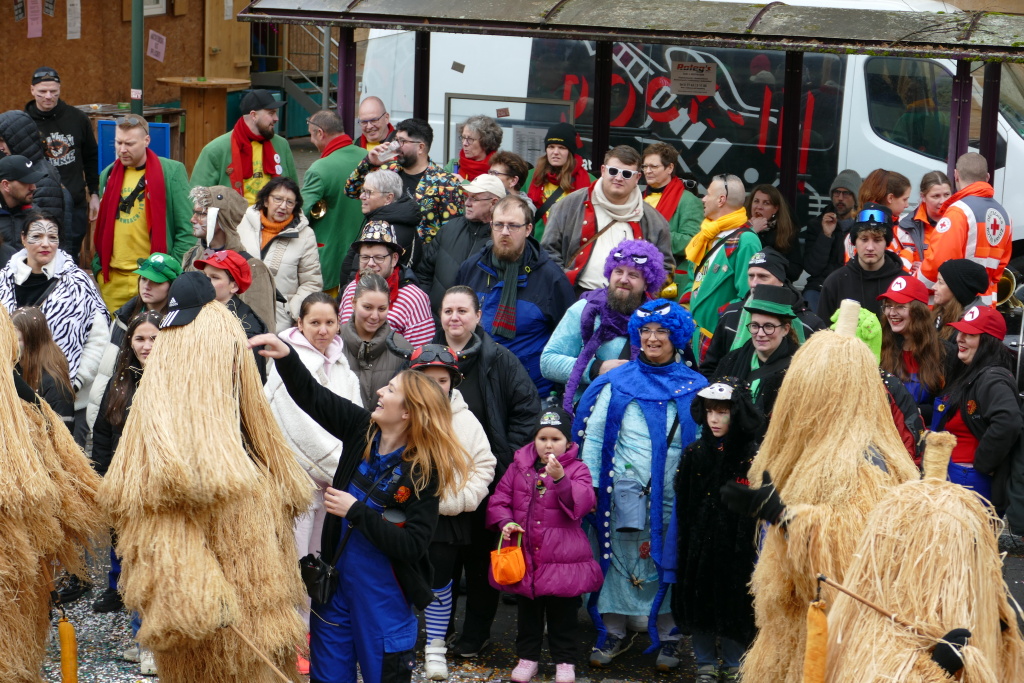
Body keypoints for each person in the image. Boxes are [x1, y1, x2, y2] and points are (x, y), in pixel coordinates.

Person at [101, 284, 312, 682]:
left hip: (258, 576)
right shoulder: (161, 431)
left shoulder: (237, 418)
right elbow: (148, 514)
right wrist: (193, 583)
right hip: (210, 609)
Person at [249, 329, 469, 683]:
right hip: (336, 588)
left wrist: (356, 511)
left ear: (409, 413)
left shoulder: (424, 473)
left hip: (384, 599)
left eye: (391, 390)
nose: (380, 392)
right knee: (329, 677)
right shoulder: (361, 429)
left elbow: (413, 546)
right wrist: (287, 356)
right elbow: (313, 397)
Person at [720, 313, 918, 683]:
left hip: (835, 646)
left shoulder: (867, 462)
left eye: (816, 389)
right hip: (790, 637)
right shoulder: (808, 450)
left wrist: (786, 516)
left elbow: (856, 564)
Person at [575, 298, 707, 672]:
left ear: (677, 336)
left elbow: (703, 443)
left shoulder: (696, 386)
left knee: (668, 561)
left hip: (673, 498)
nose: (652, 338)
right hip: (622, 497)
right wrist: (591, 487)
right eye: (646, 330)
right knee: (617, 560)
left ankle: (669, 639)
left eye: (662, 331)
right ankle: (612, 633)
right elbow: (596, 436)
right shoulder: (617, 381)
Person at [824, 475, 1024, 682]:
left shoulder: (958, 597)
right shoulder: (872, 627)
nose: (968, 557)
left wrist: (992, 632)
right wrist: (937, 668)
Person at [436, 285, 540, 659]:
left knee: (481, 564)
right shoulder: (428, 359)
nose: (455, 318)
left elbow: (528, 410)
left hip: (488, 481)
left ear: (478, 316)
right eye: (448, 311)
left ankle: (474, 636)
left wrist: (505, 457)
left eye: (462, 311)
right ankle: (437, 634)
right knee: (440, 564)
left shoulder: (500, 360)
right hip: (440, 480)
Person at [264, 291, 362, 674]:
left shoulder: (343, 366)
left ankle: (314, 634)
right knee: (295, 560)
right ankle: (290, 637)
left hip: (332, 485)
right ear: (300, 324)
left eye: (329, 322)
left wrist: (345, 466)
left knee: (323, 560)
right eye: (314, 322)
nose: (322, 330)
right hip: (299, 481)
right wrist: (345, 466)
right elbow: (298, 426)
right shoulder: (287, 363)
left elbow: (354, 419)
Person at [486, 406, 603, 683]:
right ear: (534, 440)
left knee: (564, 614)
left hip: (564, 555)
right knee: (529, 613)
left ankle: (565, 661)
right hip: (526, 554)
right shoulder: (519, 468)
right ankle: (528, 658)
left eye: (556, 439)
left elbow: (583, 503)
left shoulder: (578, 469)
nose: (548, 445)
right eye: (542, 438)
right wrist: (506, 522)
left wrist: (561, 479)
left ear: (568, 442)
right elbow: (499, 500)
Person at [406, 344, 496, 681]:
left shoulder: (466, 420)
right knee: (397, 578)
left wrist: (463, 498)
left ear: (452, 382)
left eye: (441, 380)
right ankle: (398, 641)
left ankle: (435, 648)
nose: (434, 386)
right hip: (404, 517)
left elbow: (484, 464)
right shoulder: (401, 413)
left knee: (440, 582)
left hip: (446, 518)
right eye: (427, 379)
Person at [671, 379, 764, 683]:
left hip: (740, 547)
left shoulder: (752, 457)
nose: (714, 418)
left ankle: (735, 660)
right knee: (699, 598)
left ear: (736, 413)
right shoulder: (694, 453)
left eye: (723, 412)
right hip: (699, 544)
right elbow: (683, 505)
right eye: (710, 411)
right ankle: (705, 662)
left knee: (737, 600)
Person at [0, 211, 109, 448]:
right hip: (10, 400)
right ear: (22, 238)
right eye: (37, 236)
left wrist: (75, 383)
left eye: (53, 237)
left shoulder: (78, 282)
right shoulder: (3, 281)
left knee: (64, 466)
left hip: (67, 397)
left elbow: (98, 339)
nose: (46, 244)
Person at [92, 310, 162, 661]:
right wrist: (104, 480)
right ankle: (141, 638)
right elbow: (103, 432)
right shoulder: (120, 381)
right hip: (125, 489)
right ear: (129, 342)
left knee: (158, 565)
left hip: (160, 490)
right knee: (132, 564)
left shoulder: (173, 380)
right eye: (140, 339)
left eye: (153, 338)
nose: (146, 345)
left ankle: (157, 641)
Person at [457, 195, 575, 395]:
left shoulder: (551, 278)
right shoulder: (472, 268)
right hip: (477, 384)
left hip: (531, 390)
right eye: (499, 225)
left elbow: (568, 341)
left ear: (528, 229)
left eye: (513, 226)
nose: (504, 232)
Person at [540, 239, 666, 411]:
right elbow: (548, 362)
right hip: (586, 413)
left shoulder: (659, 320)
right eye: (618, 271)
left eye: (633, 275)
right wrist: (596, 368)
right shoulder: (584, 310)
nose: (623, 279)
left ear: (647, 283)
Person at [540, 145, 673, 294]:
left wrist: (643, 296)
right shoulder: (568, 205)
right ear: (603, 170)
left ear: (637, 178)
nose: (618, 178)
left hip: (628, 305)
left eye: (627, 174)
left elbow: (665, 267)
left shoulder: (655, 220)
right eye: (613, 171)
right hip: (575, 296)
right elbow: (548, 251)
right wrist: (563, 285)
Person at [94, 114, 195, 310]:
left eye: (130, 144)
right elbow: (102, 225)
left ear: (146, 140)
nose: (122, 149)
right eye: (118, 142)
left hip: (152, 279)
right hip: (112, 280)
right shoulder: (108, 174)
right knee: (116, 339)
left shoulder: (171, 171)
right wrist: (98, 267)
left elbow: (187, 229)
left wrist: (168, 272)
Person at [934, 304, 1022, 511]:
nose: (959, 338)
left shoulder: (992, 378)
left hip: (971, 482)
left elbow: (1009, 422)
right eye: (960, 332)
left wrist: (983, 465)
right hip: (954, 475)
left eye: (970, 334)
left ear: (988, 342)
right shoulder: (970, 372)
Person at [86, 252, 180, 435]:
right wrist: (97, 417)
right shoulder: (123, 318)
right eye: (143, 279)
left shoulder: (179, 326)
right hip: (117, 416)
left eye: (156, 281)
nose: (147, 286)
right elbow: (106, 371)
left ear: (172, 287)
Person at [701, 248, 824, 378]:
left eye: (763, 277)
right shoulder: (731, 314)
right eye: (750, 276)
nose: (754, 283)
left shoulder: (809, 324)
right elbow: (710, 367)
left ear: (781, 280)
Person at [25, 66, 100, 260]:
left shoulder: (77, 118)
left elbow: (91, 157)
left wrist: (94, 193)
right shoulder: (24, 122)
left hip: (74, 202)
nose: (48, 96)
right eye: (42, 92)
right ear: (32, 90)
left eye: (53, 92)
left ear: (59, 90)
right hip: (38, 203)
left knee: (69, 255)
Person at [346, 118, 464, 242]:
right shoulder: (388, 170)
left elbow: (452, 234)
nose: (396, 146)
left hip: (420, 257)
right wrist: (369, 163)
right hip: (382, 253)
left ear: (420, 147)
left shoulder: (445, 183)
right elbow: (351, 190)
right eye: (396, 140)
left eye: (402, 141)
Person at [919, 153, 1013, 304]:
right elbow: (1000, 266)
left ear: (956, 175)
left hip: (957, 305)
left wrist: (917, 286)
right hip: (986, 304)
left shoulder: (959, 212)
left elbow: (940, 261)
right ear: (987, 177)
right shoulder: (1005, 215)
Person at [687, 173, 762, 362]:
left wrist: (718, 326)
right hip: (694, 336)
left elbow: (748, 296)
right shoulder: (707, 234)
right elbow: (693, 279)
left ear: (721, 199)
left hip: (718, 342)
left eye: (708, 194)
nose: (703, 198)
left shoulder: (746, 240)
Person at [183, 185, 277, 331]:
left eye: (201, 214)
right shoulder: (192, 257)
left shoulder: (252, 267)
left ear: (221, 218)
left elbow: (262, 332)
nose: (192, 219)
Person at [235, 176, 322, 332]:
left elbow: (312, 283)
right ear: (266, 200)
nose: (283, 206)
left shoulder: (305, 235)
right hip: (239, 313)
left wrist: (293, 311)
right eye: (278, 199)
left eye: (290, 202)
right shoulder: (241, 223)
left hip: (281, 322)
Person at [416, 173, 506, 313]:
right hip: (437, 322)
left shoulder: (504, 240)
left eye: (474, 198)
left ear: (494, 203)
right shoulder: (449, 229)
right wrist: (426, 308)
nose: (467, 203)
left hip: (479, 327)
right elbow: (424, 272)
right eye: (467, 196)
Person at [301, 110, 368, 295]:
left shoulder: (319, 169)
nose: (311, 141)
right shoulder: (366, 156)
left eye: (311, 134)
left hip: (331, 264)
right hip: (365, 258)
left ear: (320, 133)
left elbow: (299, 214)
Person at [190, 89, 297, 203]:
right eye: (271, 113)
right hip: (234, 219)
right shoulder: (215, 150)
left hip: (274, 218)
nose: (276, 118)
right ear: (254, 115)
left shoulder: (281, 145)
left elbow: (293, 189)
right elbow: (197, 197)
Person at [338, 220, 433, 347]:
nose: (371, 263)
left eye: (379, 257)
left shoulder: (414, 299)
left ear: (394, 259)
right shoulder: (351, 289)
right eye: (365, 257)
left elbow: (420, 353)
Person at [713, 285, 800, 418]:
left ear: (785, 329)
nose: (760, 333)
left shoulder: (798, 369)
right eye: (755, 326)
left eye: (768, 326)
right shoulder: (731, 360)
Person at [878, 275, 953, 426]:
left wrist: (912, 412)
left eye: (900, 306)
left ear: (919, 312)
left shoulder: (944, 352)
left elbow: (947, 407)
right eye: (888, 306)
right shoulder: (880, 347)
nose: (892, 313)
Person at [817, 204, 904, 322]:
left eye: (877, 240)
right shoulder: (835, 282)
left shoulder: (903, 283)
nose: (870, 247)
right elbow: (822, 333)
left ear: (886, 243)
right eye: (864, 239)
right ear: (854, 241)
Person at [193, 252, 270, 381]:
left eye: (214, 277)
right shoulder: (196, 310)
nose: (205, 281)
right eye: (205, 275)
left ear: (233, 286)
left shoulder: (248, 326)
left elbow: (249, 381)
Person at [641, 142, 703, 296]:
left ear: (669, 168)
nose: (647, 171)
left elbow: (692, 241)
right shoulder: (637, 198)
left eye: (654, 167)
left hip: (667, 280)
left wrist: (651, 235)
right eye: (645, 166)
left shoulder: (688, 200)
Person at [0, 111, 71, 244]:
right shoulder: (36, 169)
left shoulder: (43, 180)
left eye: (3, 141)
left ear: (17, 140)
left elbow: (48, 233)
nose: (1, 147)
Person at [341, 271, 409, 409]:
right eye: (367, 307)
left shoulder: (404, 349)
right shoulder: (333, 342)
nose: (374, 316)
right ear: (353, 303)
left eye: (382, 309)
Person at [340, 170, 422, 283]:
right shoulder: (383, 221)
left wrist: (348, 295)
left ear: (388, 198)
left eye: (369, 192)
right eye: (363, 191)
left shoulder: (387, 230)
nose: (362, 196)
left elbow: (362, 275)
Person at [801, 169, 862, 311]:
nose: (840, 198)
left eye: (846, 193)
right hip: (820, 287)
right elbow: (812, 268)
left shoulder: (862, 228)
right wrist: (826, 235)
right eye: (836, 193)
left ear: (855, 198)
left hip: (852, 288)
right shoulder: (817, 224)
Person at [11, 305, 75, 424]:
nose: (12, 343)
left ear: (33, 341)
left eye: (18, 339)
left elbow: (62, 435)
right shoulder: (15, 369)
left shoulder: (54, 384)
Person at [525, 123, 593, 235]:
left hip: (570, 247)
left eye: (562, 147)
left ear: (570, 152)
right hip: (536, 247)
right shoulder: (530, 177)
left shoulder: (589, 181)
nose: (555, 152)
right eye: (551, 147)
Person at [850, 169, 915, 270]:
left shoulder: (861, 223)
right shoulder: (879, 229)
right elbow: (889, 271)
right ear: (890, 198)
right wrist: (908, 254)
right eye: (904, 199)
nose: (907, 205)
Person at [744, 184, 801, 281]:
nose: (759, 207)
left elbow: (795, 271)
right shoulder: (740, 227)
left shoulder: (786, 231)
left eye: (766, 203)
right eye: (756, 201)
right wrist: (752, 232)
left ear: (775, 209)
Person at [898, 170, 952, 270]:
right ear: (923, 197)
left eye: (946, 195)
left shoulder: (960, 221)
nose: (943, 201)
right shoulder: (903, 226)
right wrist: (909, 267)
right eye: (936, 196)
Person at [932, 258, 989, 341]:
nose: (933, 287)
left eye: (940, 282)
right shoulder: (940, 312)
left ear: (957, 290)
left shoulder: (974, 326)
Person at [446, 115, 503, 181]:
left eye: (470, 139)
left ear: (486, 142)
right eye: (463, 137)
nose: (464, 143)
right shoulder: (453, 165)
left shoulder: (499, 171)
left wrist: (464, 185)